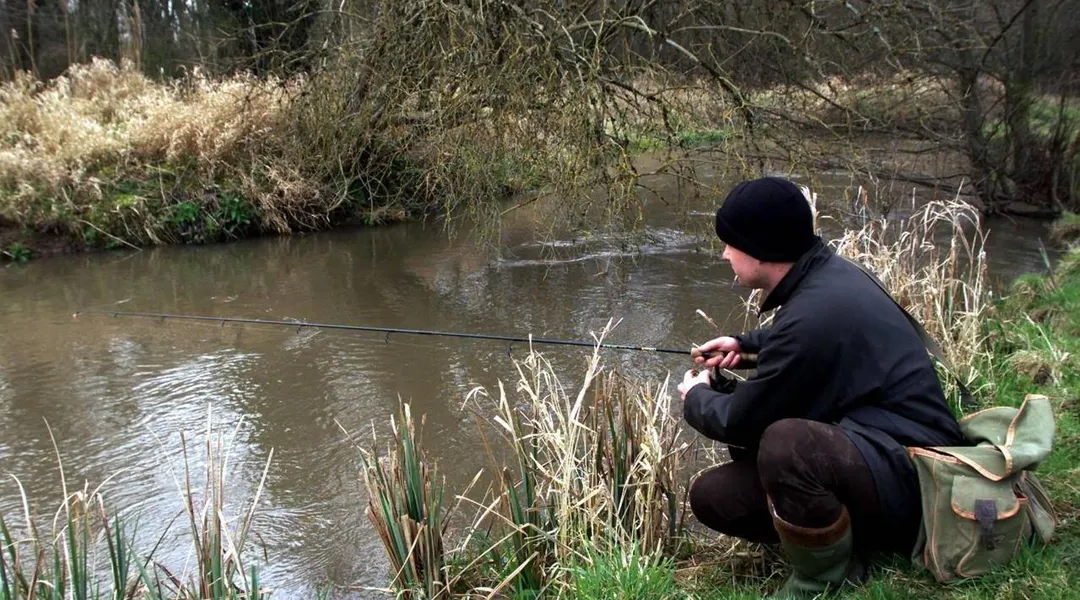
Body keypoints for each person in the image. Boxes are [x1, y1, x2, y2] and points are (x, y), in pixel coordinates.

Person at [676, 176, 966, 598]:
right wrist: (745, 344)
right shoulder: (830, 278)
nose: (724, 254)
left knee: (785, 442)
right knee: (714, 496)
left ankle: (822, 581)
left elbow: (741, 422)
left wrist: (696, 396)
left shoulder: (813, 315)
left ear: (760, 248)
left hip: (921, 478)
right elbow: (806, 340)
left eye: (730, 243)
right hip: (882, 453)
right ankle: (845, 541)